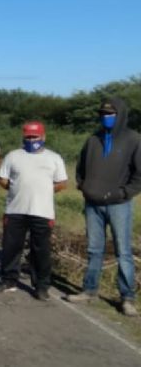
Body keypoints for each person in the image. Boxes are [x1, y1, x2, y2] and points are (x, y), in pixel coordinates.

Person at [66, 98, 141, 316]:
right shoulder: (93, 139)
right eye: (103, 114)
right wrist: (84, 186)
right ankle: (89, 291)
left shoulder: (134, 140)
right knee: (94, 249)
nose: (106, 118)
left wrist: (122, 193)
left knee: (123, 251)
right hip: (93, 204)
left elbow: (139, 175)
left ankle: (127, 298)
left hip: (119, 205)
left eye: (110, 114)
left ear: (120, 115)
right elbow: (80, 168)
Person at [0, 121, 67, 300]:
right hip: (15, 209)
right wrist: (16, 189)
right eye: (29, 137)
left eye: (35, 137)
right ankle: (9, 280)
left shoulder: (54, 158)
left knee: (41, 250)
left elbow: (62, 183)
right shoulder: (13, 156)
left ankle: (41, 286)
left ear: (43, 137)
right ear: (23, 137)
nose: (32, 140)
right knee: (11, 247)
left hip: (42, 211)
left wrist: (44, 191)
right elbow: (1, 179)